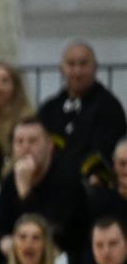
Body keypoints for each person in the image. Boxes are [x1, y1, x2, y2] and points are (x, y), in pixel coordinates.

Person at [0, 118, 89, 264]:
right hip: (20, 262)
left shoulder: (67, 179)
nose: (25, 147)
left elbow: (53, 235)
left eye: (33, 141)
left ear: (49, 146)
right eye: (19, 142)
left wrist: (25, 193)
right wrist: (3, 242)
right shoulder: (12, 180)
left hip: (63, 263)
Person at [38, 41, 126, 185]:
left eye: (83, 64)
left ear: (95, 67)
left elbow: (103, 156)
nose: (77, 71)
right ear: (61, 69)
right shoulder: (49, 109)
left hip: (91, 185)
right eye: (71, 64)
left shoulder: (110, 108)